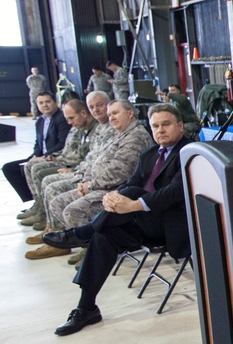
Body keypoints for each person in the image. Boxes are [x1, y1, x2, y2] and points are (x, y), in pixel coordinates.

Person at [43, 104, 192, 336]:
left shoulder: (189, 153)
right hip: (141, 222)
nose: (160, 130)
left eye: (166, 124)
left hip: (168, 226)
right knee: (105, 237)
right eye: (155, 126)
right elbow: (130, 183)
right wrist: (113, 197)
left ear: (180, 126)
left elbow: (174, 192)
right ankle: (86, 307)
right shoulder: (149, 154)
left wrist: (132, 203)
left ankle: (81, 233)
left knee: (132, 195)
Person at [25, 99, 152, 260]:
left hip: (117, 190)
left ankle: (93, 251)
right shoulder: (119, 134)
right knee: (58, 201)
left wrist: (90, 186)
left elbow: (119, 171)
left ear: (130, 113)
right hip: (97, 184)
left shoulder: (135, 137)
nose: (111, 117)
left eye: (115, 113)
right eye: (110, 114)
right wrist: (85, 181)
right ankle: (62, 240)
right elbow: (94, 160)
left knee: (72, 211)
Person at [18, 99, 98, 225]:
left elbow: (89, 157)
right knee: (31, 166)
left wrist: (72, 169)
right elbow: (67, 149)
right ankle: (40, 208)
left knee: (42, 175)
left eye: (71, 118)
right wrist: (54, 156)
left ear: (83, 113)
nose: (69, 122)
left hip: (76, 166)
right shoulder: (77, 127)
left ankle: (51, 222)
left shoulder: (95, 129)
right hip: (67, 161)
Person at [3, 92, 70, 204]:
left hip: (54, 156)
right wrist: (35, 155)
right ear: (37, 105)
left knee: (27, 168)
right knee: (9, 168)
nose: (45, 105)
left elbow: (62, 144)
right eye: (41, 103)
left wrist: (44, 156)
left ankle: (39, 203)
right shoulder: (40, 121)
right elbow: (38, 143)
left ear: (55, 103)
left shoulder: (61, 119)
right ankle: (32, 200)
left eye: (48, 102)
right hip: (40, 156)